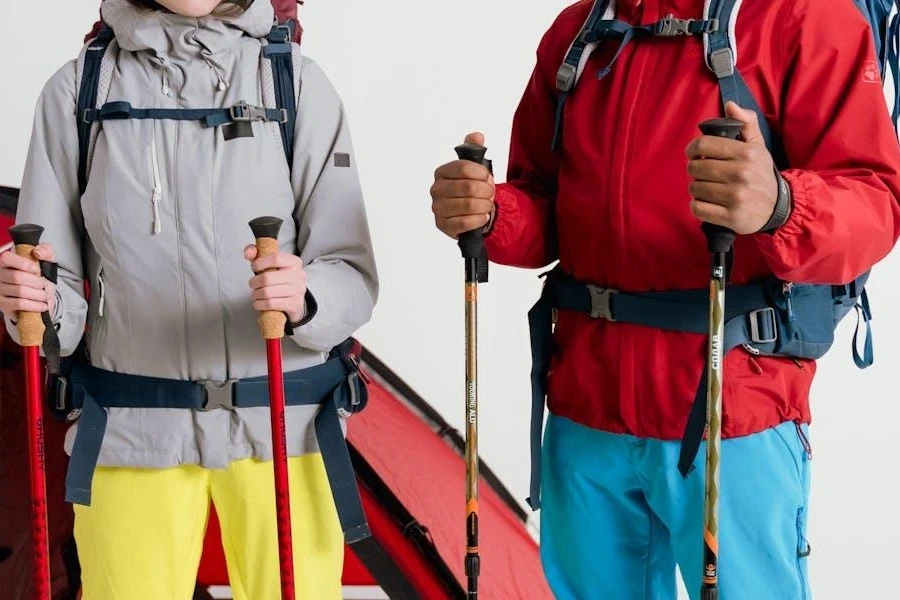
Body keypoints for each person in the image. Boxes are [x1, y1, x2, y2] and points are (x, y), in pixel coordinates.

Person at [430, 1, 900, 598]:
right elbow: (545, 200)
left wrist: (780, 204)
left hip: (731, 412)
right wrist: (492, 212)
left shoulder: (802, 16)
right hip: (584, 411)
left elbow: (876, 201)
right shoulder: (580, 31)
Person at [0, 1, 378, 598]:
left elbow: (351, 274)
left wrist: (306, 294)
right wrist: (35, 299)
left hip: (285, 425)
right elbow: (58, 302)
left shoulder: (296, 82)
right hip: (129, 427)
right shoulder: (79, 88)